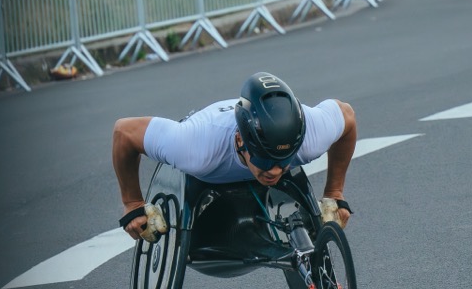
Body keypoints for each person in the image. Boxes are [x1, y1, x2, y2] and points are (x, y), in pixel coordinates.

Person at [112, 72, 356, 240]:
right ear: (241, 141)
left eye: (283, 161)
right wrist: (132, 203)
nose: (273, 171)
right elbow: (124, 132)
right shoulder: (196, 147)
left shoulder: (311, 135)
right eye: (264, 159)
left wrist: (335, 193)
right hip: (209, 155)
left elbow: (347, 115)